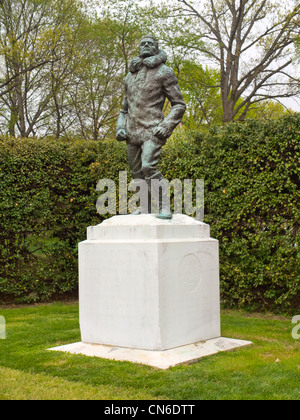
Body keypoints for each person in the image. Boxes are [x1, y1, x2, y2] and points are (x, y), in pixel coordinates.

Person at [116, 35, 186, 219]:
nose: (146, 45)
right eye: (143, 43)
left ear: (156, 48)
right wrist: (120, 127)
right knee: (136, 172)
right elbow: (124, 109)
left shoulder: (164, 72)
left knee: (148, 167)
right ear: (139, 49)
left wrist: (167, 125)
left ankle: (164, 207)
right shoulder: (129, 77)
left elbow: (179, 104)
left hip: (153, 129)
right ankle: (145, 207)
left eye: (150, 43)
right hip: (132, 132)